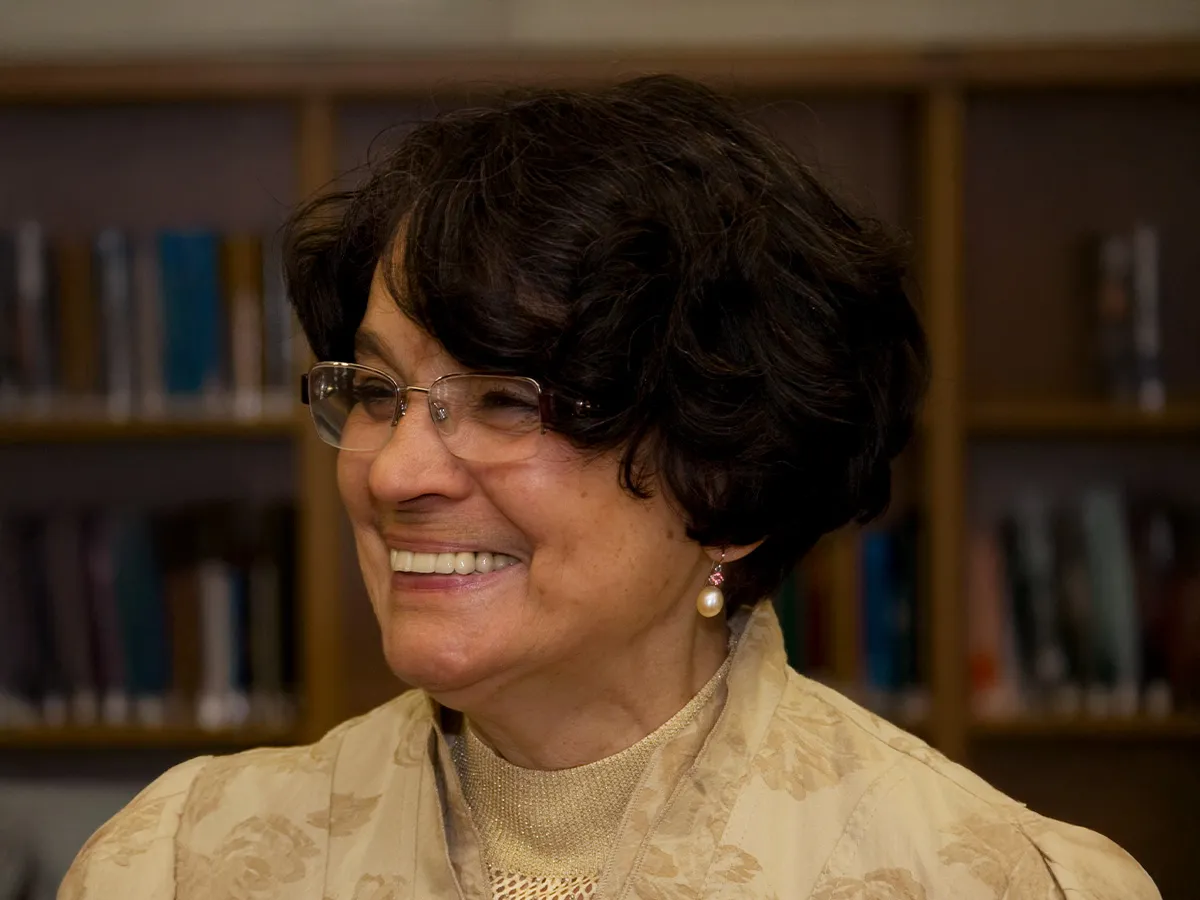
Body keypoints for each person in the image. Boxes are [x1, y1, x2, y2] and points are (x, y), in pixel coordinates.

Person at [59, 75, 1159, 900]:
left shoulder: (1002, 882)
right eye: (383, 391)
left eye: (504, 401)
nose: (393, 472)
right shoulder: (176, 864)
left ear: (727, 473)